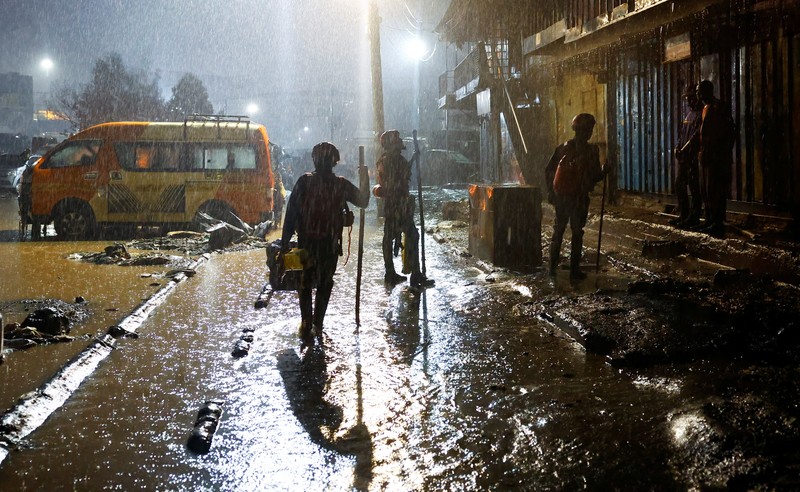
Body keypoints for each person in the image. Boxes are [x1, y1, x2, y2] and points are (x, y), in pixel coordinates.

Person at [280, 142, 370, 348]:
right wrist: (364, 176)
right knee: (324, 283)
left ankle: (306, 323)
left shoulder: (304, 181)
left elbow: (291, 213)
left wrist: (285, 242)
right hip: (329, 245)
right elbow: (364, 200)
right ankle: (317, 325)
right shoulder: (340, 184)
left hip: (307, 244)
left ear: (314, 159)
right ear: (334, 161)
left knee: (305, 282)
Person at [545, 113, 606, 281]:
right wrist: (605, 171)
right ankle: (574, 271)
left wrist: (551, 192)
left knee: (559, 231)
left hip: (562, 197)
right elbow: (595, 176)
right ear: (586, 130)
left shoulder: (562, 148)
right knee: (577, 233)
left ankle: (552, 268)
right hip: (579, 198)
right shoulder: (592, 151)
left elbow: (548, 170)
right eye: (589, 129)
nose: (590, 132)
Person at [375, 130, 434, 288]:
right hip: (397, 204)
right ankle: (412, 274)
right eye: (397, 139)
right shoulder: (390, 160)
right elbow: (399, 179)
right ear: (392, 143)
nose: (401, 141)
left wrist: (414, 159)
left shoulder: (388, 160)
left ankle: (395, 273)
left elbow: (401, 175)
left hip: (396, 204)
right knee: (409, 236)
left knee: (394, 237)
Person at [695, 80, 734, 236]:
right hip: (706, 156)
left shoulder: (719, 107)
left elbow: (727, 132)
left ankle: (717, 223)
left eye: (699, 91)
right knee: (706, 190)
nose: (697, 94)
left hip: (715, 158)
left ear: (706, 92)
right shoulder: (705, 108)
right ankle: (710, 221)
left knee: (715, 191)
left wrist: (719, 153)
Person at [671, 85, 703, 228]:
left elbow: (695, 137)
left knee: (695, 188)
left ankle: (693, 217)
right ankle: (684, 215)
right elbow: (683, 134)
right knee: (680, 185)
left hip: (692, 159)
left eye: (691, 98)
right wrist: (677, 148)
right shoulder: (689, 114)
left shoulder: (701, 114)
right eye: (687, 98)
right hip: (683, 158)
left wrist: (684, 150)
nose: (689, 101)